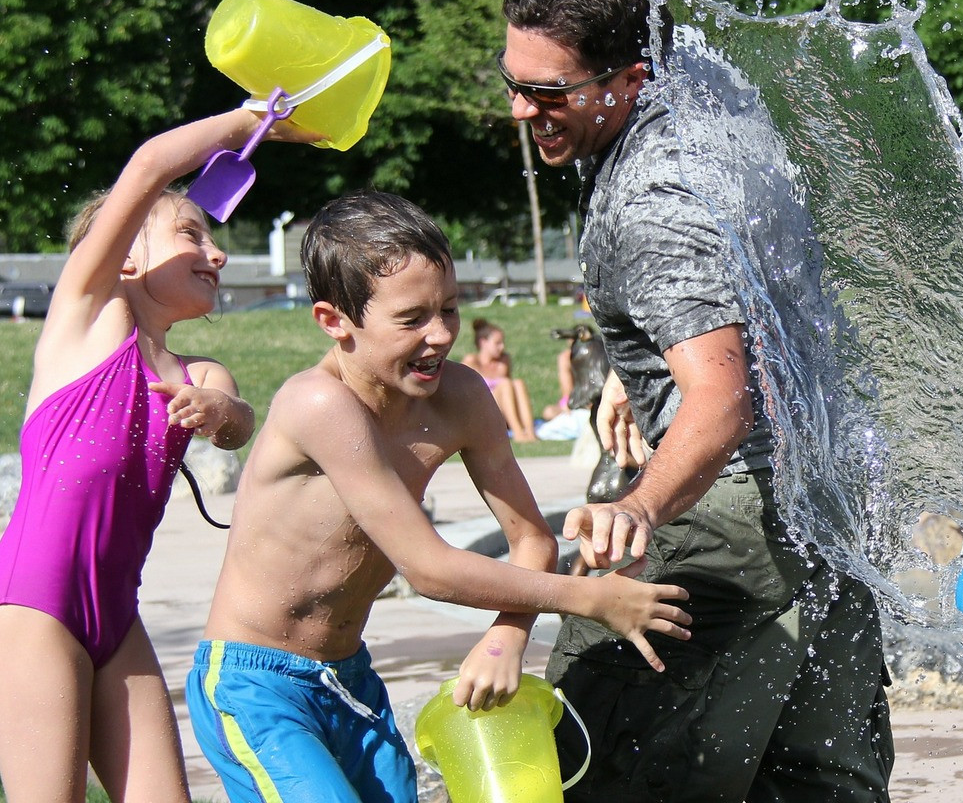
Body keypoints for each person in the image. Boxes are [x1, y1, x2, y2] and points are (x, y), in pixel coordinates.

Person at [501, 0, 894, 801]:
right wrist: (632, 360)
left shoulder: (651, 201)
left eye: (547, 93)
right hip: (828, 496)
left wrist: (641, 510)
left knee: (598, 759)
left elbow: (719, 401)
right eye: (512, 81)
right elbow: (749, 284)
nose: (520, 109)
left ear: (632, 77)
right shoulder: (717, 101)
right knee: (818, 780)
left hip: (726, 514)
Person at [185, 190, 691, 803]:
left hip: (348, 677)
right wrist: (590, 597)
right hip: (255, 684)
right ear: (334, 320)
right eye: (410, 319)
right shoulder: (317, 404)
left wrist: (507, 635)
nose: (440, 334)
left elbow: (530, 538)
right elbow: (426, 567)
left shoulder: (463, 399)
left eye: (449, 309)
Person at [0, 110, 315, 802]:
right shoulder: (88, 317)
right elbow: (152, 163)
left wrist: (226, 414)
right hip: (32, 605)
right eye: (192, 234)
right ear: (124, 254)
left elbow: (238, 423)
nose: (216, 255)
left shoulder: (201, 373)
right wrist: (252, 121)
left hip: (116, 617)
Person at [461, 317, 539, 442]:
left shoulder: (504, 361)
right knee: (506, 384)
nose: (502, 347)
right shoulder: (471, 361)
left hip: (503, 414)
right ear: (483, 342)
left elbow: (510, 395)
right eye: (497, 343)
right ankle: (518, 433)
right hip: (481, 411)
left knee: (518, 383)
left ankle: (530, 432)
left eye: (503, 343)